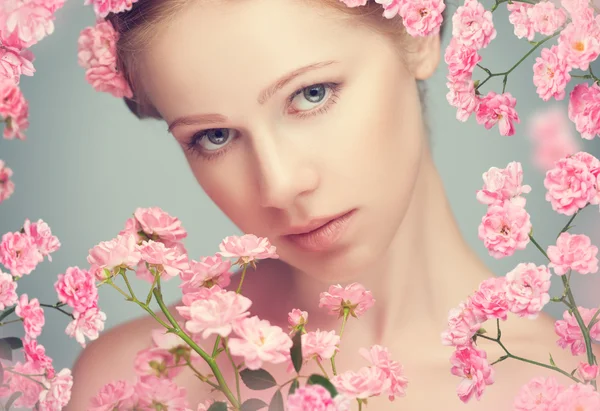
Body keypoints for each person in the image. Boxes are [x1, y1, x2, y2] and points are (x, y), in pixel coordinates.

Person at [65, 0, 598, 409]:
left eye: (312, 93)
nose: (278, 186)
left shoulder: (576, 383)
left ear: (417, 33)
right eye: (215, 136)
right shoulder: (132, 381)